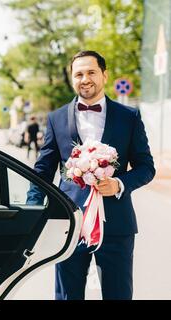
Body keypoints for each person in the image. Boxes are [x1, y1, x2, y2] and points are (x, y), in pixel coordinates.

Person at [26, 51, 155, 300]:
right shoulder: (55, 119)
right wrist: (31, 210)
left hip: (116, 226)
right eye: (79, 74)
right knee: (67, 296)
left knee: (118, 295)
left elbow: (146, 167)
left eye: (91, 72)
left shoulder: (129, 117)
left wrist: (119, 183)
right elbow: (42, 170)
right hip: (70, 224)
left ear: (104, 75)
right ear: (73, 79)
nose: (85, 79)